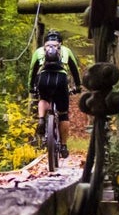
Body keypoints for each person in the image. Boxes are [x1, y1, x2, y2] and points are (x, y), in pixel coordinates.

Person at [28, 30, 82, 158]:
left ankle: (41, 119)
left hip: (44, 77)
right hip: (60, 79)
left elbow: (32, 70)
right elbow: (75, 70)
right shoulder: (66, 51)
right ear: (60, 42)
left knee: (43, 98)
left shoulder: (39, 51)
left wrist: (31, 87)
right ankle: (63, 146)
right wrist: (78, 86)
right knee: (63, 114)